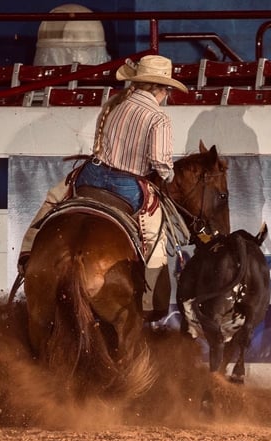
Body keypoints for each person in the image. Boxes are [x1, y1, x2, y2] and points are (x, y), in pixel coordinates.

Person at [17, 54, 189, 321]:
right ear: (161, 88)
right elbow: (160, 163)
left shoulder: (116, 105)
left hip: (92, 176)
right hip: (128, 185)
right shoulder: (159, 118)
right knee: (154, 232)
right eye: (166, 88)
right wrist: (167, 176)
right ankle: (150, 297)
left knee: (52, 201)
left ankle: (27, 257)